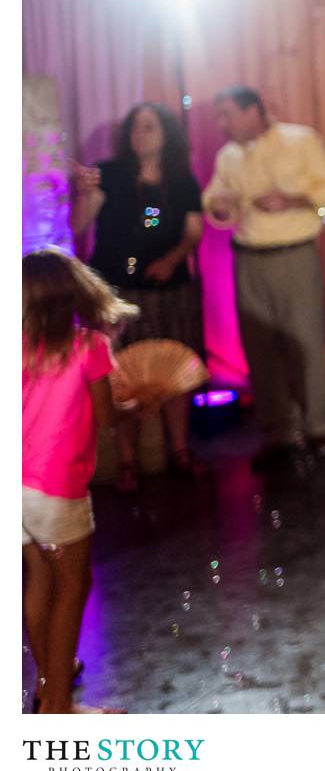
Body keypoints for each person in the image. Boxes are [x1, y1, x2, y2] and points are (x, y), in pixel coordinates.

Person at [203, 86, 325, 473]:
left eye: (227, 114)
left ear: (254, 111)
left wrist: (293, 199)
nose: (222, 124)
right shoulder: (228, 156)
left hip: (294, 255)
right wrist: (219, 206)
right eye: (219, 116)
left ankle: (319, 430)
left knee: (304, 342)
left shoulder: (301, 140)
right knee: (259, 349)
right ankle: (280, 433)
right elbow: (214, 199)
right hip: (248, 258)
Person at [23, 249, 136, 714]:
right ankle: (57, 706)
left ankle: (49, 682)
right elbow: (106, 415)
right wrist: (136, 405)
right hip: (57, 487)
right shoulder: (89, 347)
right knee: (73, 584)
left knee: (38, 580)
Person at [71, 102, 207, 490]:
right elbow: (80, 224)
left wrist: (171, 259)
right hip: (118, 286)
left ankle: (179, 451)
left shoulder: (181, 179)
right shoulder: (111, 174)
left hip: (168, 286)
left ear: (166, 133)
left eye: (149, 127)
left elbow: (193, 231)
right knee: (124, 373)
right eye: (134, 128)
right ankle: (128, 461)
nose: (140, 134)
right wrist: (85, 194)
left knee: (174, 368)